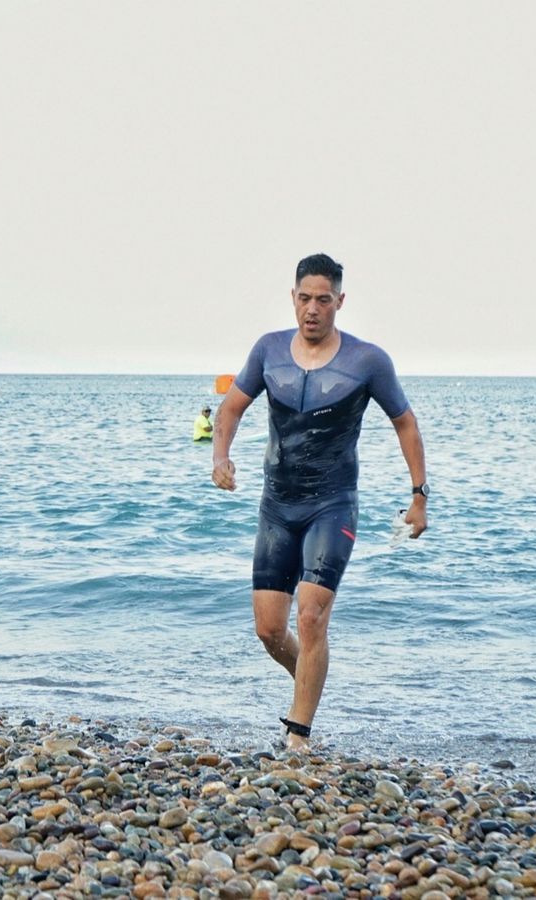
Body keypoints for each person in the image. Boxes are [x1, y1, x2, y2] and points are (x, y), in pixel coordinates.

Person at [211, 253, 429, 751]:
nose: (312, 309)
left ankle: (298, 735)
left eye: (323, 300)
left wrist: (419, 497)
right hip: (277, 506)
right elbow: (231, 407)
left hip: (332, 505)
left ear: (340, 302)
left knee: (311, 618)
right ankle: (310, 678)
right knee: (269, 628)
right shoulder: (268, 351)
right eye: (304, 298)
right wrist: (220, 458)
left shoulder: (367, 362)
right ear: (293, 298)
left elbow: (405, 423)